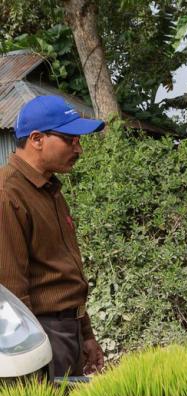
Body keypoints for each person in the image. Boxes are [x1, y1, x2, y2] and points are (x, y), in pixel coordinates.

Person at [0, 95, 105, 377]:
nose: (79, 149)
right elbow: (11, 288)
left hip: (68, 330)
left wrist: (86, 333)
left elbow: (65, 273)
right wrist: (32, 356)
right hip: (42, 337)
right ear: (36, 139)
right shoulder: (7, 194)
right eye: (70, 139)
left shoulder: (50, 190)